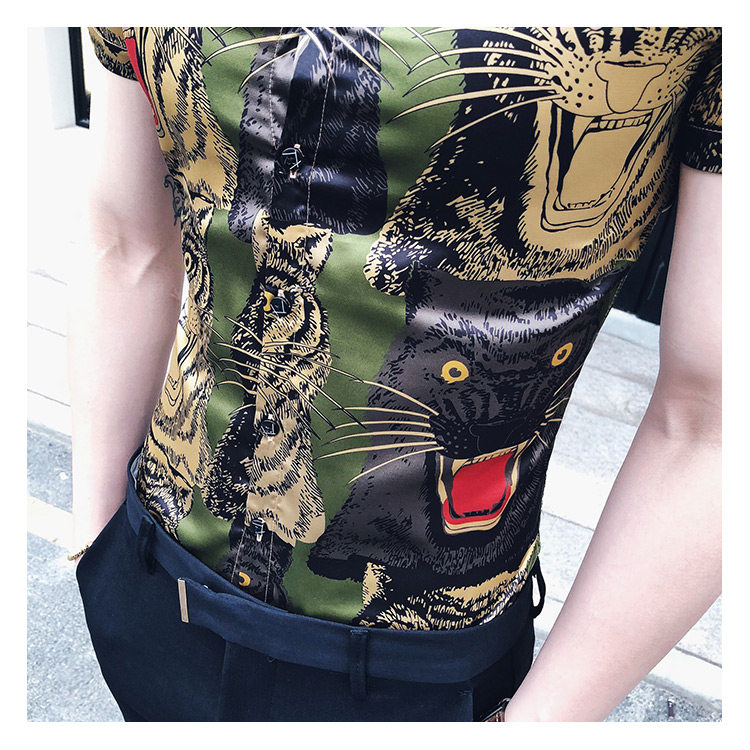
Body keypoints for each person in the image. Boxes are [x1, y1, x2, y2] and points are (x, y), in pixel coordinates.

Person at [68, 26, 721, 722]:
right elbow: (124, 240)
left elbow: (712, 415)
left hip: (425, 665)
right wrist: (94, 548)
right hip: (153, 582)